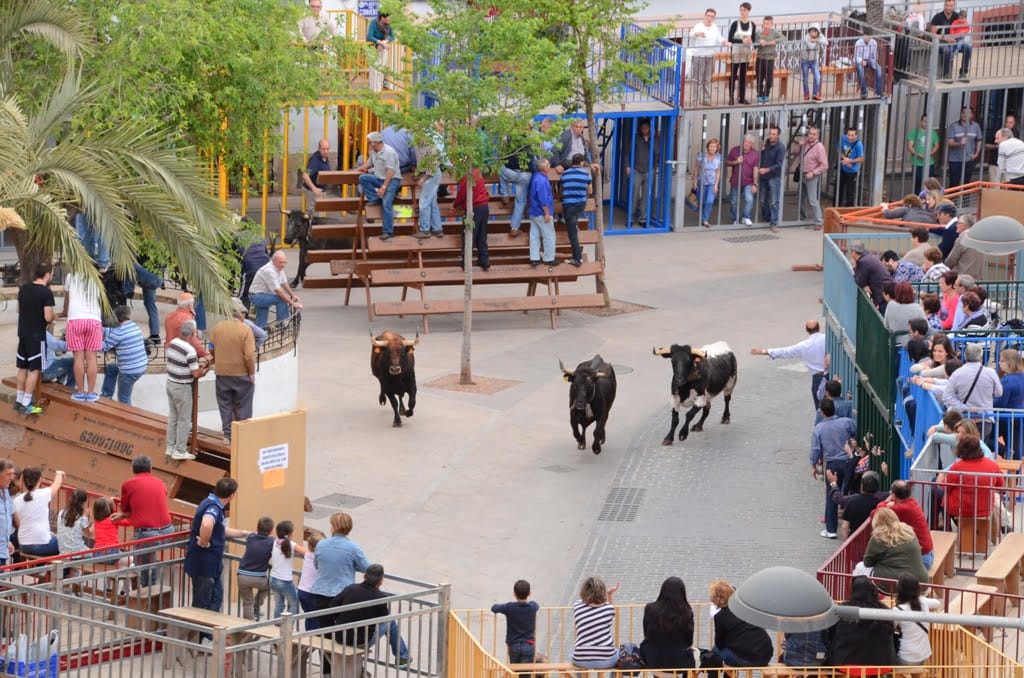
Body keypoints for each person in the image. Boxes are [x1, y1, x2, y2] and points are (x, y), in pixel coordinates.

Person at [327, 564, 412, 667]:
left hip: (340, 636)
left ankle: (403, 656)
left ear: (364, 576)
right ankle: (402, 657)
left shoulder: (351, 588)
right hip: (361, 641)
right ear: (381, 581)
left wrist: (339, 621)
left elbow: (332, 605)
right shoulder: (380, 597)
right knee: (390, 621)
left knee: (386, 620)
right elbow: (382, 619)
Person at [184, 477, 249, 613]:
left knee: (215, 598)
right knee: (203, 602)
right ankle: (202, 633)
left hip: (210, 565)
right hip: (205, 564)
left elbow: (220, 530)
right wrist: (204, 541)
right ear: (231, 495)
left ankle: (209, 632)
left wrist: (244, 533)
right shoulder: (213, 507)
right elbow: (207, 524)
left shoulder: (210, 502)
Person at [109, 455, 174, 585]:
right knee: (149, 559)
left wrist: (123, 515)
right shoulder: (160, 482)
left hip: (147, 533)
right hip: (168, 530)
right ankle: (151, 590)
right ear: (150, 468)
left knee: (144, 565)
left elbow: (126, 508)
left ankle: (148, 593)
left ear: (133, 469)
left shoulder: (128, 485)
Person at [209, 299, 257, 442]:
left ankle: (228, 435)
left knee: (225, 404)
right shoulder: (246, 330)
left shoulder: (217, 328)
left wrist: (218, 359)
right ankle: (243, 435)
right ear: (241, 314)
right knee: (244, 405)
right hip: (242, 374)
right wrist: (252, 372)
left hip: (222, 374)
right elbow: (249, 355)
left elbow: (211, 348)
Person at [751, 319, 827, 409]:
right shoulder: (827, 338)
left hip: (817, 379)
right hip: (831, 375)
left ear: (807, 331)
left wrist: (764, 351)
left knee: (821, 409)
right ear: (819, 328)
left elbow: (785, 352)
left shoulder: (803, 346)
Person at [810, 398, 858, 539]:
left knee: (831, 495)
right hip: (847, 462)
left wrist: (814, 465)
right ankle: (851, 524)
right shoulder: (846, 422)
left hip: (832, 464)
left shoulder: (819, 428)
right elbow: (854, 430)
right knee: (849, 491)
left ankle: (831, 529)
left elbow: (815, 449)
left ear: (822, 412)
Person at [825, 576, 896, 667]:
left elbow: (831, 634)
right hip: (881, 664)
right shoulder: (884, 611)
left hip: (845, 663)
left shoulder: (843, 610)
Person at [15, 263, 55, 415]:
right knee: (35, 369)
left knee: (22, 367)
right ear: (47, 274)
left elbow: (19, 310)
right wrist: (53, 316)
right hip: (37, 336)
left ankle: (18, 401)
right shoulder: (46, 293)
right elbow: (47, 317)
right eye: (52, 273)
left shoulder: (24, 289)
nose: (52, 276)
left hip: (23, 333)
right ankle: (26, 404)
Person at [941, 434, 1004, 529]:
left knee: (941, 498)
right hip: (985, 508)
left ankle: (945, 529)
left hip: (961, 509)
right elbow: (1000, 484)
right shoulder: (992, 465)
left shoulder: (957, 467)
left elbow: (945, 486)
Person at [310, 512, 370, 614]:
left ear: (333, 527)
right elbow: (366, 568)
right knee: (341, 627)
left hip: (321, 592)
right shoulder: (353, 548)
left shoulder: (321, 544)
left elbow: (316, 565)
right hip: (343, 594)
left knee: (323, 627)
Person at [165, 320, 208, 461]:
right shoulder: (190, 351)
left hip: (170, 383)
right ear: (193, 334)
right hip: (182, 387)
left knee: (173, 417)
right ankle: (180, 450)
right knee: (184, 420)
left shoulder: (173, 343)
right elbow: (196, 374)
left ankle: (170, 447)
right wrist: (204, 370)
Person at [706, 580, 772, 668]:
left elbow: (719, 644)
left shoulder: (720, 616)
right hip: (764, 655)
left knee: (715, 652)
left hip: (747, 659)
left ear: (718, 598)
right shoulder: (744, 608)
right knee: (728, 649)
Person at [855, 507, 929, 584]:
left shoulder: (878, 537)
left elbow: (867, 562)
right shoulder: (909, 531)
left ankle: (859, 593)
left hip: (893, 585)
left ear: (876, 522)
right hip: (920, 581)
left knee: (860, 567)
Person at [875, 479, 935, 569]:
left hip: (921, 560)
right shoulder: (911, 502)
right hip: (925, 554)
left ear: (894, 496)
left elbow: (877, 510)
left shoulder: (902, 508)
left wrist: (886, 504)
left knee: (885, 566)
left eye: (891, 493)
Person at [639, 576, 696, 670]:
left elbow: (646, 634)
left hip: (653, 660)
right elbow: (689, 640)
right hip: (679, 662)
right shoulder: (687, 612)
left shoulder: (650, 608)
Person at [63, 269, 103, 402]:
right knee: (91, 358)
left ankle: (80, 392)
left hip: (75, 319)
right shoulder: (96, 276)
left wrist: (64, 312)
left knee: (78, 358)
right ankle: (91, 393)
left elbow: (67, 299)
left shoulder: (70, 276)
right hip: (94, 319)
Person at [99, 306, 148, 405]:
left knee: (123, 398)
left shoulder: (118, 333)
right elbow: (113, 332)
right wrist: (98, 329)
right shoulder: (134, 326)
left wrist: (87, 341)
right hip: (141, 366)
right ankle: (106, 396)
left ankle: (126, 416)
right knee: (111, 367)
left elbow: (102, 348)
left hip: (129, 372)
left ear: (116, 318)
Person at [357, 131, 402, 239]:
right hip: (379, 177)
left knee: (386, 203)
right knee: (363, 178)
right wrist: (357, 169)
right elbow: (368, 164)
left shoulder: (389, 152)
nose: (369, 144)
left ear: (377, 142)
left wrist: (383, 187)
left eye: (370, 142)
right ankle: (374, 198)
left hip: (392, 180)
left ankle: (388, 231)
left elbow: (390, 172)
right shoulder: (373, 151)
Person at [571, 576, 619, 670]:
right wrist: (609, 594)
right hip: (606, 658)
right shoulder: (609, 609)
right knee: (620, 657)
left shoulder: (577, 606)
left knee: (573, 651)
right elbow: (611, 607)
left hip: (581, 658)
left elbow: (582, 602)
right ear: (602, 592)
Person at [14, 467, 64, 556]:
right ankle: (64, 570)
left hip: (23, 544)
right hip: (42, 545)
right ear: (39, 480)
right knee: (65, 544)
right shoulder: (43, 494)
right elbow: (57, 483)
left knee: (52, 537)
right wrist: (59, 473)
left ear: (23, 480)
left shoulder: (16, 500)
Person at [491, 580, 541, 668]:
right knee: (526, 673)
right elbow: (536, 605)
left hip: (513, 645)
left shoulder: (510, 607)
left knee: (514, 671)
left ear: (514, 593)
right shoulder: (532, 607)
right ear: (529, 593)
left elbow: (494, 608)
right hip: (528, 645)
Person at [826, 469, 887, 538]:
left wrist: (833, 483)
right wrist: (886, 473)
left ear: (861, 486)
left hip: (856, 537)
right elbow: (895, 490)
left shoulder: (853, 500)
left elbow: (838, 498)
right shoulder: (883, 498)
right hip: (875, 537)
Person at [248, 251, 302, 329]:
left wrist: (292, 295)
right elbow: (278, 291)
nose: (283, 265)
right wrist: (292, 303)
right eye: (281, 262)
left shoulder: (278, 267)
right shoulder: (269, 270)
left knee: (262, 321)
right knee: (281, 299)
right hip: (256, 296)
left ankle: (261, 333)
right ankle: (281, 323)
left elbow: (284, 283)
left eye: (285, 262)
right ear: (274, 261)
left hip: (263, 295)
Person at [895, 574, 940, 665]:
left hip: (906, 657)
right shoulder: (923, 601)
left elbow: (890, 628)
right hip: (924, 654)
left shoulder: (897, 610)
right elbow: (937, 603)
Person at [944, 342, 1002, 412]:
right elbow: (999, 392)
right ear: (981, 357)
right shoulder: (991, 373)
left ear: (965, 356)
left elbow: (947, 396)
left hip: (963, 417)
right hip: (985, 416)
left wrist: (963, 408)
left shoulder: (957, 373)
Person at [236, 516, 274, 621]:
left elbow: (246, 533)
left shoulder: (251, 537)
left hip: (242, 575)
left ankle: (248, 625)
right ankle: (257, 605)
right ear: (271, 531)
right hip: (259, 578)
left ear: (257, 528)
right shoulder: (271, 541)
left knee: (247, 602)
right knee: (269, 586)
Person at [453, 168, 491, 271]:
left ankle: (465, 261)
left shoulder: (469, 175)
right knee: (482, 235)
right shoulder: (478, 172)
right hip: (484, 206)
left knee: (469, 234)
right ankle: (484, 260)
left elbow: (462, 193)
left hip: (474, 207)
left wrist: (456, 205)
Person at [415, 121, 446, 238]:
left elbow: (433, 165)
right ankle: (437, 228)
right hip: (431, 173)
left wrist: (423, 178)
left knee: (424, 203)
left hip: (431, 174)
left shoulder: (429, 144)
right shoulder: (423, 143)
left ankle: (424, 229)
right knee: (432, 203)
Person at [688, 8, 726, 106]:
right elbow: (691, 34)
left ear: (714, 18)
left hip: (710, 56)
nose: (710, 18)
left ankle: (706, 100)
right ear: (705, 16)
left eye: (712, 16)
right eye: (708, 16)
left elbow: (719, 38)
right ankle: (695, 101)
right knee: (698, 80)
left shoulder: (714, 27)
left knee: (708, 79)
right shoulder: (699, 25)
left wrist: (724, 42)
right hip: (699, 55)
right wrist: (698, 33)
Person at [561, 154, 591, 267]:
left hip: (569, 206)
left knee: (572, 235)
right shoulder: (585, 173)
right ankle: (575, 224)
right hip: (581, 205)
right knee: (573, 222)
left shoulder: (565, 174)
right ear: (581, 162)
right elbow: (590, 190)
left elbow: (562, 187)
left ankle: (577, 259)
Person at [270, 520, 305, 618]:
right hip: (285, 581)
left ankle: (276, 629)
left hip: (273, 578)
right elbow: (306, 552)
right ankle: (287, 628)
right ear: (290, 533)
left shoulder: (273, 542)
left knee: (279, 604)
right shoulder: (291, 544)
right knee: (293, 604)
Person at [796, 126, 828, 230]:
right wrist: (799, 146)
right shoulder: (805, 143)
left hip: (811, 177)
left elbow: (824, 165)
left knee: (813, 200)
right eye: (810, 133)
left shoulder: (819, 147)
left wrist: (813, 173)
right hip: (802, 174)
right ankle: (803, 218)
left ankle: (818, 222)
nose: (811, 136)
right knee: (801, 198)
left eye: (814, 134)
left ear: (817, 135)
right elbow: (795, 153)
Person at [930, 0, 970, 81]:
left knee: (968, 48)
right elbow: (932, 34)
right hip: (940, 42)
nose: (949, 8)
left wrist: (961, 34)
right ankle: (946, 75)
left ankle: (963, 73)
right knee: (947, 50)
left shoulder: (956, 16)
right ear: (944, 5)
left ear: (954, 6)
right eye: (947, 5)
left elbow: (964, 26)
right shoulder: (937, 17)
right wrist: (945, 38)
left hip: (954, 40)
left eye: (951, 5)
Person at [528, 157, 557, 266]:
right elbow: (543, 198)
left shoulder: (536, 177)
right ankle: (549, 258)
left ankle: (534, 258)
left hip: (534, 211)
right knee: (549, 235)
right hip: (541, 212)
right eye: (548, 165)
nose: (550, 166)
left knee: (534, 235)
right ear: (544, 168)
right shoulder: (542, 180)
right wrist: (547, 213)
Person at [627, 119, 656, 228]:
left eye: (646, 128)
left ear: (649, 128)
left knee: (646, 195)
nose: (644, 130)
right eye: (642, 128)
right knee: (634, 194)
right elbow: (627, 153)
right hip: (636, 170)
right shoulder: (635, 138)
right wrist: (627, 166)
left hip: (649, 170)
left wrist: (652, 139)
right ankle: (630, 218)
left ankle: (643, 219)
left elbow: (657, 151)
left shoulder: (653, 139)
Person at [726, 3, 756, 106]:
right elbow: (730, 39)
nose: (742, 12)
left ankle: (742, 98)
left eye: (744, 10)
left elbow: (754, 40)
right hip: (736, 52)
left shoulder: (752, 25)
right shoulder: (735, 24)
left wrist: (751, 41)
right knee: (733, 76)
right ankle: (731, 98)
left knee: (743, 76)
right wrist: (742, 40)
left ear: (749, 11)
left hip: (746, 53)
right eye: (741, 10)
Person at [164, 292, 209, 360]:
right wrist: (205, 354)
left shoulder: (169, 316)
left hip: (170, 350)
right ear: (190, 305)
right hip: (182, 353)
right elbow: (193, 341)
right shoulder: (187, 320)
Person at [850, 242, 893, 312]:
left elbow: (860, 281)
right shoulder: (869, 256)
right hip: (887, 289)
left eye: (851, 252)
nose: (851, 254)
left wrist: (854, 266)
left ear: (854, 252)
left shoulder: (863, 262)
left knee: (882, 317)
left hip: (882, 294)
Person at [726, 135, 758, 226]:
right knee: (734, 201)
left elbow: (755, 169)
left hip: (749, 181)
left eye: (749, 142)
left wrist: (755, 184)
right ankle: (734, 218)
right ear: (743, 141)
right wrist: (736, 162)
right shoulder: (735, 150)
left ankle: (746, 217)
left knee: (749, 199)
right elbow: (727, 162)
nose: (747, 144)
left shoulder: (755, 153)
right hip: (736, 181)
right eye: (745, 141)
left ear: (752, 144)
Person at [947, 107, 983, 188]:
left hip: (969, 159)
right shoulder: (954, 126)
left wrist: (976, 153)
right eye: (963, 112)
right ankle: (953, 200)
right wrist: (959, 143)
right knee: (954, 182)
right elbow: (950, 142)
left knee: (967, 183)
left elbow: (979, 140)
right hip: (955, 160)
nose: (964, 115)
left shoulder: (975, 126)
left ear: (971, 115)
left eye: (967, 113)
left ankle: (965, 200)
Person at [757, 125, 784, 231]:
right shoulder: (767, 143)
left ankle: (774, 223)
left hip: (774, 177)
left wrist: (767, 169)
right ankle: (766, 218)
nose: (771, 136)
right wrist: (762, 150)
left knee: (773, 201)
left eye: (773, 134)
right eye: (770, 133)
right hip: (764, 176)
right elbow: (762, 157)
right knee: (763, 200)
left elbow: (779, 164)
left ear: (778, 135)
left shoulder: (780, 147)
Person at [130, 262, 163, 344]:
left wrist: (129, 290)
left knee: (131, 264)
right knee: (150, 305)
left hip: (150, 279)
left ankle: (155, 335)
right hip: (154, 277)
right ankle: (155, 336)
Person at [297, 529, 324, 631]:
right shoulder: (320, 558)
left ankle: (308, 636)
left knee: (309, 616)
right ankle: (313, 638)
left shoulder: (308, 554)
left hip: (302, 590)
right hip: (312, 592)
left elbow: (297, 548)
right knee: (316, 617)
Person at [906, 115, 939, 193]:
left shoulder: (933, 132)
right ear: (921, 121)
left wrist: (929, 154)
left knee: (929, 184)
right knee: (917, 182)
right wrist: (919, 155)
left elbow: (936, 146)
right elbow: (910, 147)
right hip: (917, 162)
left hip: (929, 162)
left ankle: (928, 200)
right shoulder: (914, 132)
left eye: (928, 122)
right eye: (924, 121)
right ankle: (918, 199)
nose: (926, 123)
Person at [754, 16, 784, 104]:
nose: (765, 25)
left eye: (768, 24)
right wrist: (759, 43)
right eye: (764, 24)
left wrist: (775, 41)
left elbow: (784, 38)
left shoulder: (774, 33)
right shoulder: (758, 33)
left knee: (769, 79)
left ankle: (766, 94)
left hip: (770, 59)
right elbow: (754, 45)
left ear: (771, 24)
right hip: (760, 58)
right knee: (759, 78)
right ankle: (760, 95)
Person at [695, 138, 722, 227]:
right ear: (708, 147)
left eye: (714, 147)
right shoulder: (701, 155)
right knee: (701, 201)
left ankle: (705, 220)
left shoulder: (719, 157)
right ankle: (702, 217)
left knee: (709, 201)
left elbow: (718, 171)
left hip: (712, 183)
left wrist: (716, 185)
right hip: (701, 182)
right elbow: (696, 168)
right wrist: (694, 182)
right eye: (711, 146)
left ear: (717, 148)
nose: (712, 148)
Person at [57, 488, 91, 555]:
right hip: (78, 554)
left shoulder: (61, 512)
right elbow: (89, 534)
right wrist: (96, 520)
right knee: (97, 554)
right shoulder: (82, 517)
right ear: (83, 503)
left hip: (63, 553)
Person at [799, 24, 827, 102]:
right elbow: (811, 46)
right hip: (805, 60)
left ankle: (815, 94)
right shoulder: (806, 37)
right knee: (805, 78)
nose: (813, 33)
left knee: (817, 77)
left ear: (817, 32)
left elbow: (826, 42)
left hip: (814, 61)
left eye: (815, 31)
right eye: (811, 31)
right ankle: (806, 95)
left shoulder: (819, 36)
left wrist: (817, 40)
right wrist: (817, 41)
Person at [367, 12, 394, 92]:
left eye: (388, 18)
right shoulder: (374, 23)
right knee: (374, 69)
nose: (388, 20)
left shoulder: (389, 25)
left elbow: (392, 36)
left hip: (383, 47)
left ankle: (378, 90)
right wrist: (379, 42)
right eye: (386, 18)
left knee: (381, 70)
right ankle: (372, 90)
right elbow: (369, 36)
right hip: (372, 48)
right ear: (381, 17)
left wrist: (385, 42)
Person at [837, 128, 864, 207]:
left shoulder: (858, 144)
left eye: (852, 135)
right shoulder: (843, 138)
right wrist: (845, 159)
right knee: (838, 191)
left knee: (850, 194)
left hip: (852, 171)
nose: (850, 137)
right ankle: (835, 208)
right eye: (848, 135)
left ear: (856, 136)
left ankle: (848, 212)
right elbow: (838, 149)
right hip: (842, 169)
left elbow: (861, 158)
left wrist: (850, 161)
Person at [301, 139, 333, 207]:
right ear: (319, 149)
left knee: (319, 214)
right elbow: (305, 175)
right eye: (323, 149)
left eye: (327, 149)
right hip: (313, 192)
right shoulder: (315, 160)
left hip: (321, 191)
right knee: (315, 215)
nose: (326, 151)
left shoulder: (324, 157)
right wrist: (314, 189)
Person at [853, 34, 884, 99]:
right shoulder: (858, 43)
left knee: (879, 69)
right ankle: (864, 91)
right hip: (860, 60)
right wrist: (861, 61)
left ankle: (878, 92)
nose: (867, 38)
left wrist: (875, 59)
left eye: (869, 36)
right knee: (860, 70)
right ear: (863, 36)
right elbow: (856, 57)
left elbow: (874, 55)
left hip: (870, 60)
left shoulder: (874, 42)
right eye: (866, 36)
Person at [0, 460, 14, 568]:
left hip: (3, 551)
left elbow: (6, 518)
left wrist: (7, 541)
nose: (11, 477)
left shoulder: (5, 492)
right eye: (8, 474)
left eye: (12, 474)